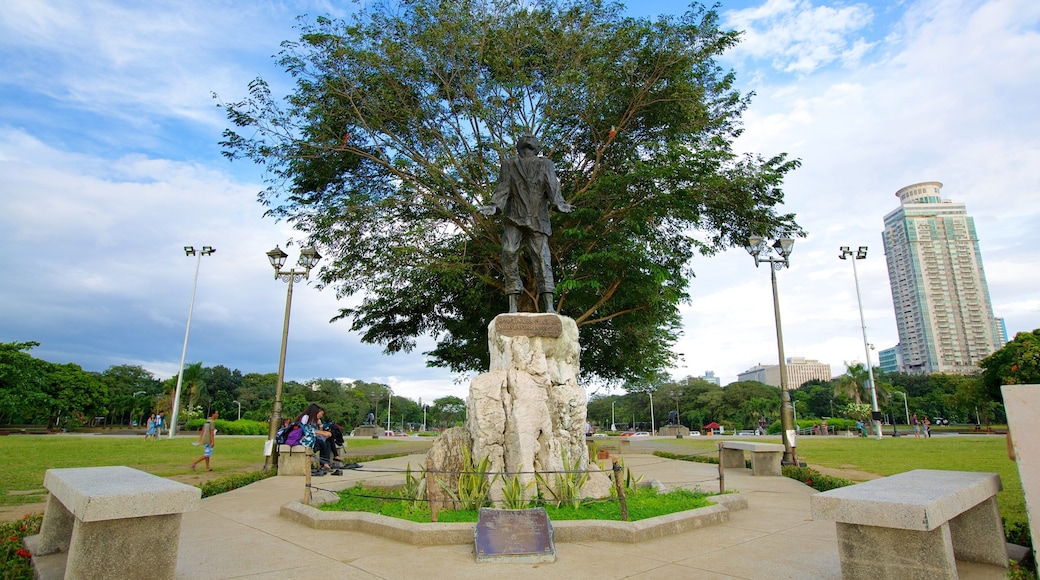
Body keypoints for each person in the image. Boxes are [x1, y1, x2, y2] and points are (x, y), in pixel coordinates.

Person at [479, 133, 573, 313]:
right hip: (514, 217)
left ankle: (550, 307)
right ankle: (513, 303)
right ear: (518, 146)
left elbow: (553, 187)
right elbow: (503, 188)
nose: (528, 137)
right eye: (525, 137)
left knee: (542, 258)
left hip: (538, 218)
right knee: (508, 252)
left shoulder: (545, 164)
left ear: (537, 147)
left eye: (532, 137)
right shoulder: (508, 164)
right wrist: (494, 206)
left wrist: (559, 204)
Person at [297, 404, 335, 473]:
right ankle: (324, 464)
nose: (320, 416)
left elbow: (318, 430)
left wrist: (320, 425)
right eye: (320, 414)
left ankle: (324, 463)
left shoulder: (315, 420)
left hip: (313, 437)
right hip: (305, 438)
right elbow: (307, 430)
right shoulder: (306, 418)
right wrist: (323, 433)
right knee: (322, 443)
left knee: (328, 443)